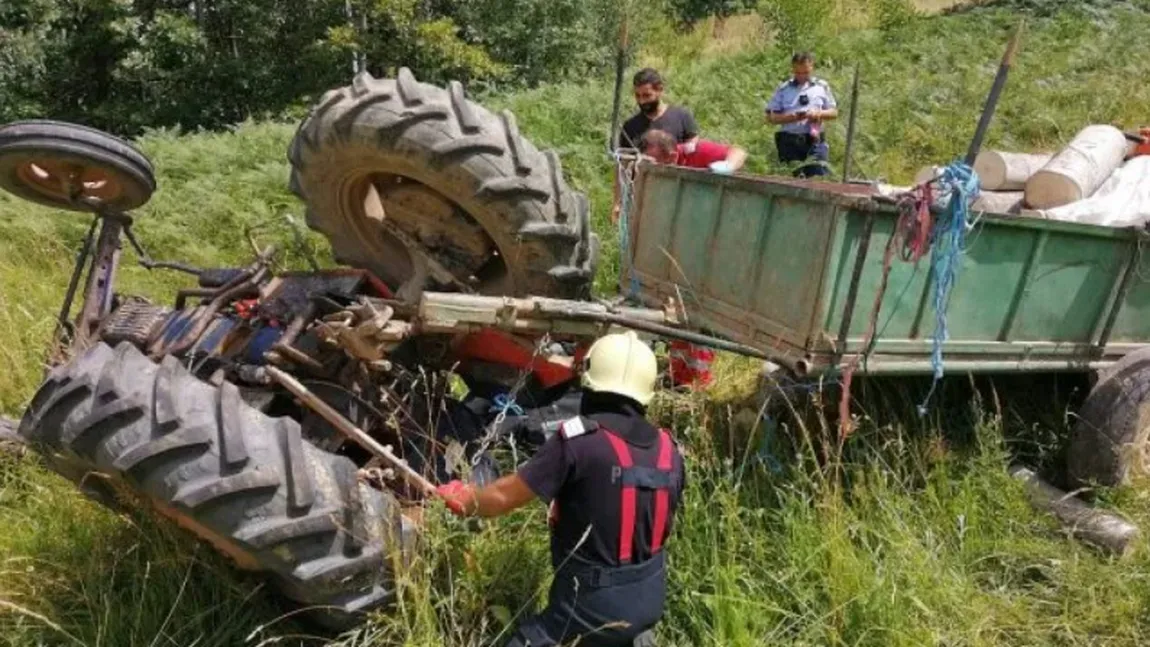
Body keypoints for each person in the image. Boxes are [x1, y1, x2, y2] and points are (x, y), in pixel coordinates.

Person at [437, 331, 687, 647]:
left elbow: (501, 498)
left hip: (587, 607)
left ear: (589, 379)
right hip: (651, 598)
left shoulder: (580, 441)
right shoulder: (670, 451)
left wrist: (463, 499)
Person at [765, 51, 838, 177]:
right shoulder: (784, 89)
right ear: (793, 69)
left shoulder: (822, 86)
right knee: (793, 182)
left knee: (818, 181)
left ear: (812, 67)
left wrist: (818, 114)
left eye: (805, 72)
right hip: (790, 143)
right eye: (798, 73)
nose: (802, 76)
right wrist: (792, 117)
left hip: (815, 141)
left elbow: (834, 112)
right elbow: (770, 117)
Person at [618, 68, 699, 151]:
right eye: (637, 96)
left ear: (660, 90)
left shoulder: (682, 117)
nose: (641, 101)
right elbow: (623, 161)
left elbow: (693, 154)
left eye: (647, 95)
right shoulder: (629, 127)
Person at [639, 129, 747, 175]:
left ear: (672, 157)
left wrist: (728, 166)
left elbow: (739, 152)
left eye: (655, 163)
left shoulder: (696, 151)